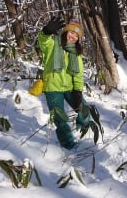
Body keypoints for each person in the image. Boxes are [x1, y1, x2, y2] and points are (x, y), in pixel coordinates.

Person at [38, 16, 90, 150]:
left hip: (69, 88)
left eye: (76, 35)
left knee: (84, 110)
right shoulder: (53, 44)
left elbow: (78, 74)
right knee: (60, 119)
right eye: (71, 32)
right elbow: (43, 41)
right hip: (53, 88)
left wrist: (78, 91)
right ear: (66, 31)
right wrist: (46, 31)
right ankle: (68, 144)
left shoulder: (76, 53)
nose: (73, 36)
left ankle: (83, 133)